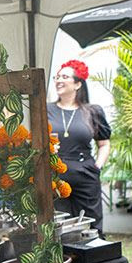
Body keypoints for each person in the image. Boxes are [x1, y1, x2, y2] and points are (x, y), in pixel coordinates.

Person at [48, 59, 111, 234]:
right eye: (57, 76)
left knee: (92, 224)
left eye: (65, 76)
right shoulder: (45, 110)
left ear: (77, 84)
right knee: (60, 224)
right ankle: (64, 259)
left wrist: (97, 166)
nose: (58, 80)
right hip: (56, 174)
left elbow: (104, 144)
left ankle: (94, 259)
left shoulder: (92, 111)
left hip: (85, 171)